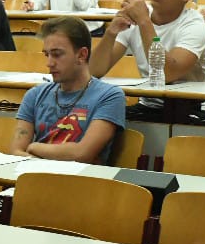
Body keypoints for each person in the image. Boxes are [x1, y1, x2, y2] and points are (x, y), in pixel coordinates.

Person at [91, 0, 205, 109]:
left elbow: (167, 73)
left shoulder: (194, 24)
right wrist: (110, 33)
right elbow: (94, 71)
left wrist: (144, 21)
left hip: (190, 109)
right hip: (148, 105)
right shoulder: (138, 14)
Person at [9, 17, 127, 165]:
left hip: (81, 178)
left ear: (82, 55)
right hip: (36, 176)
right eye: (47, 54)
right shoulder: (35, 94)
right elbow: (16, 151)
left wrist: (34, 147)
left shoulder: (109, 96)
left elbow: (82, 154)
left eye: (57, 54)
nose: (49, 63)